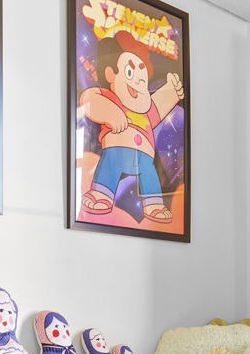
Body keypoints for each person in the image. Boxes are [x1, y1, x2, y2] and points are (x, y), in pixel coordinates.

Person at [78, 30, 183, 225]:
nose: (138, 81)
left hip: (144, 158)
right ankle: (102, 194)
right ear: (111, 74)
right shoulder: (111, 98)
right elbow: (89, 98)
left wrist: (172, 91)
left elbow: (158, 106)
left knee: (149, 174)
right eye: (129, 72)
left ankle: (154, 204)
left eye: (142, 77)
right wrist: (111, 112)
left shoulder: (146, 108)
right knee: (109, 166)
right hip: (116, 151)